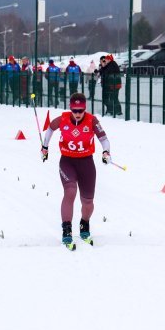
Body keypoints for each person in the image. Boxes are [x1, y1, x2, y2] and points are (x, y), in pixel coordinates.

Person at [40, 93, 112, 249]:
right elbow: (50, 129)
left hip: (86, 163)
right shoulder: (63, 119)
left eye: (81, 110)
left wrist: (106, 152)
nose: (78, 114)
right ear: (70, 108)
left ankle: (84, 225)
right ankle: (66, 230)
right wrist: (45, 147)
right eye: (75, 110)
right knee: (70, 191)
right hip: (67, 161)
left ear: (85, 109)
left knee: (88, 202)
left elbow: (104, 139)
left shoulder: (92, 120)